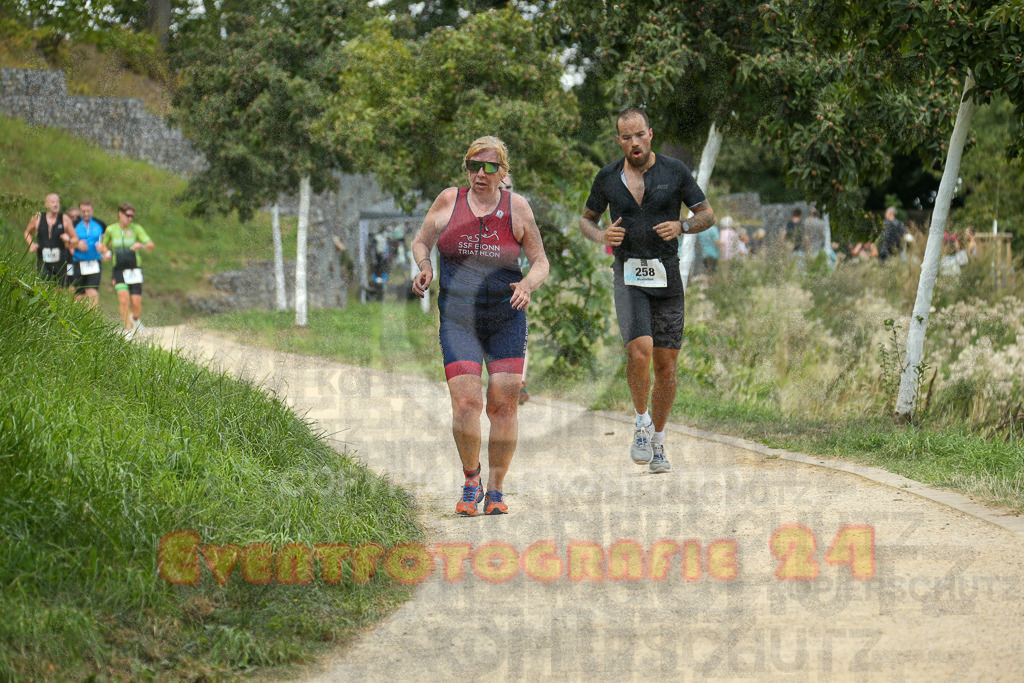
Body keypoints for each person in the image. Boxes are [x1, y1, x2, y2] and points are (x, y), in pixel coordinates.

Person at [411, 136, 549, 516]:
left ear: (503, 172)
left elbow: (540, 261)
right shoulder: (448, 201)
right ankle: (471, 481)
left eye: (490, 167)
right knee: (466, 402)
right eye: (474, 166)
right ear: (466, 169)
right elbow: (421, 242)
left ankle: (497, 489)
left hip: (506, 318)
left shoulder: (517, 208)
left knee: (503, 407)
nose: (481, 174)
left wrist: (527, 284)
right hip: (459, 320)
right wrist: (425, 267)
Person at [579, 107, 715, 474]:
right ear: (619, 140)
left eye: (640, 135)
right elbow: (586, 220)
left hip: (667, 276)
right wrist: (601, 235)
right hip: (628, 275)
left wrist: (683, 226)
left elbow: (707, 214)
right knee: (639, 352)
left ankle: (658, 441)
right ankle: (641, 423)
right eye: (627, 137)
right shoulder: (607, 178)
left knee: (666, 367)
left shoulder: (675, 171)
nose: (634, 142)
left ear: (650, 134)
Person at [498, 172, 533, 406]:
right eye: (500, 188)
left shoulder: (521, 213)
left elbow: (533, 252)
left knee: (519, 334)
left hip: (513, 285)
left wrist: (528, 281)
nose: (504, 193)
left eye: (508, 188)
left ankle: (519, 383)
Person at [102, 203, 154, 336]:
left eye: (132, 216)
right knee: (123, 300)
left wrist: (141, 245)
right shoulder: (111, 229)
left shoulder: (136, 229)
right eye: (128, 215)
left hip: (134, 269)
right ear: (120, 213)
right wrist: (105, 253)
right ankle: (128, 329)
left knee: (136, 303)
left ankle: (135, 318)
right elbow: (103, 245)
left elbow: (150, 245)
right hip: (118, 269)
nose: (130, 219)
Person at [23, 193, 78, 288]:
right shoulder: (37, 217)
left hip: (60, 260)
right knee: (44, 286)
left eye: (57, 202)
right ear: (46, 204)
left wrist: (68, 240)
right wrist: (31, 244)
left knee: (59, 289)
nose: (55, 204)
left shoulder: (64, 219)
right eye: (52, 202)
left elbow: (75, 240)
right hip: (43, 259)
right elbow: (27, 233)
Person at [71, 200, 108, 307]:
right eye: (83, 211)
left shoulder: (100, 224)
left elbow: (108, 240)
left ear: (92, 210)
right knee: (79, 296)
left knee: (92, 293)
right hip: (78, 262)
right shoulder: (74, 224)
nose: (86, 213)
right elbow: (66, 242)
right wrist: (77, 244)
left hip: (94, 263)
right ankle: (80, 316)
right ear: (79, 211)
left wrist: (103, 247)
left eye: (88, 211)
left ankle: (93, 316)